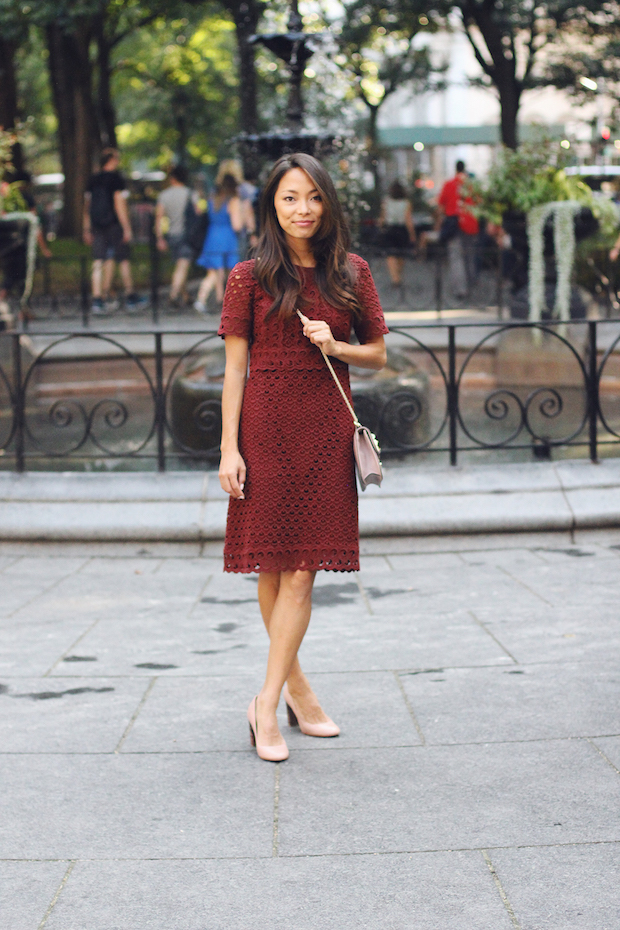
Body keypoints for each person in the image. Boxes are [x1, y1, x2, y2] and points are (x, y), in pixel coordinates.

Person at [218, 152, 388, 762]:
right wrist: (228, 447)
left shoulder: (351, 271)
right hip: (265, 424)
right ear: (272, 205)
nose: (303, 210)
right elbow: (234, 367)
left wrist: (337, 343)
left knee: (303, 566)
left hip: (324, 425)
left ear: (328, 203)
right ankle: (297, 691)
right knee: (271, 563)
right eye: (290, 198)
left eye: (313, 197)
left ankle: (264, 704)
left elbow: (377, 356)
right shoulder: (248, 276)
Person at [83, 148, 145, 314]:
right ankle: (131, 295)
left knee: (98, 260)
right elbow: (119, 204)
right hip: (114, 224)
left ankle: (98, 298)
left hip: (97, 226)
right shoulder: (116, 179)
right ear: (111, 160)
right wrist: (126, 227)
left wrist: (86, 228)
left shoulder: (93, 179)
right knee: (123, 259)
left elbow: (87, 206)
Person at [194, 173, 245, 313]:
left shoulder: (212, 200)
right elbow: (237, 225)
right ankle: (232, 303)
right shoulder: (233, 201)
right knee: (232, 272)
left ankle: (202, 300)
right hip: (228, 238)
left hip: (212, 237)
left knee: (213, 273)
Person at [155, 165, 197, 310]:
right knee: (182, 266)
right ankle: (173, 295)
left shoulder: (164, 195)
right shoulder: (190, 194)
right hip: (186, 235)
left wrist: (160, 237)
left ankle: (186, 297)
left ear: (172, 178)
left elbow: (159, 217)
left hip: (172, 235)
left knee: (180, 266)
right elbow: (197, 213)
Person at [437, 159, 479, 300]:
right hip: (471, 224)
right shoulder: (472, 185)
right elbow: (480, 203)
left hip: (453, 224)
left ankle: (461, 289)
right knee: (470, 255)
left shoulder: (449, 184)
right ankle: (472, 282)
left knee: (456, 258)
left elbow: (441, 204)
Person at [379, 180, 416, 286]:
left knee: (390, 254)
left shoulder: (386, 201)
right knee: (401, 253)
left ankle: (394, 278)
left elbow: (382, 216)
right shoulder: (406, 203)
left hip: (389, 228)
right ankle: (398, 274)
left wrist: (380, 227)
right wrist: (412, 235)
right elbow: (408, 219)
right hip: (402, 229)